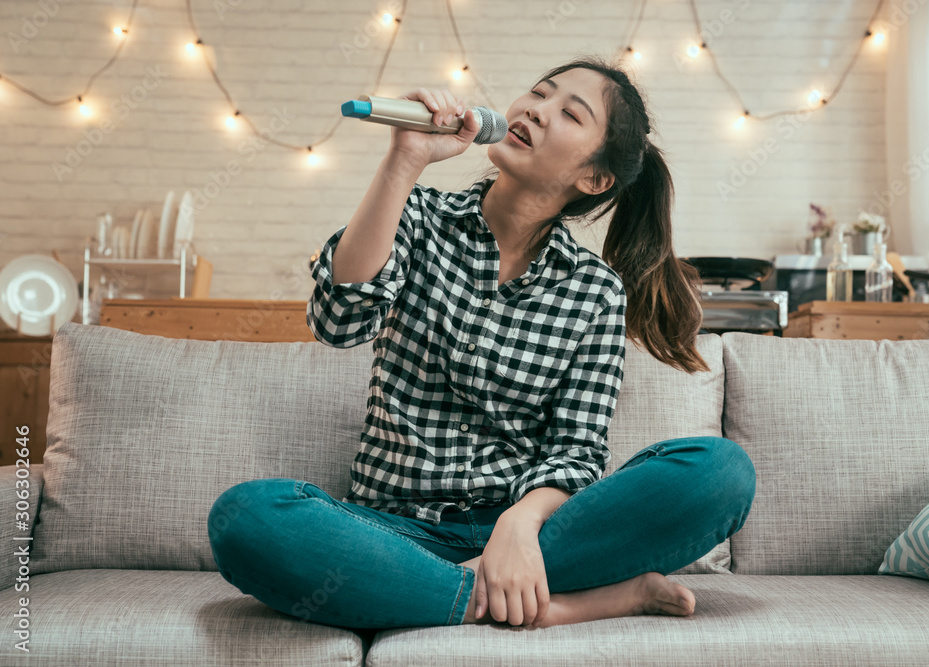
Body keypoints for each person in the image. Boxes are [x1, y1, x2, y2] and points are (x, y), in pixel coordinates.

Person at [207, 55, 756, 631]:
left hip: (533, 537)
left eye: (569, 112)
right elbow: (338, 321)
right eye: (538, 93)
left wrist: (517, 527)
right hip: (392, 534)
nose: (536, 110)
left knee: (719, 471)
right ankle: (554, 604)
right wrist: (405, 160)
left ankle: (445, 593)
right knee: (247, 516)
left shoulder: (596, 292)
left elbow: (577, 449)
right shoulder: (417, 216)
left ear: (594, 179)